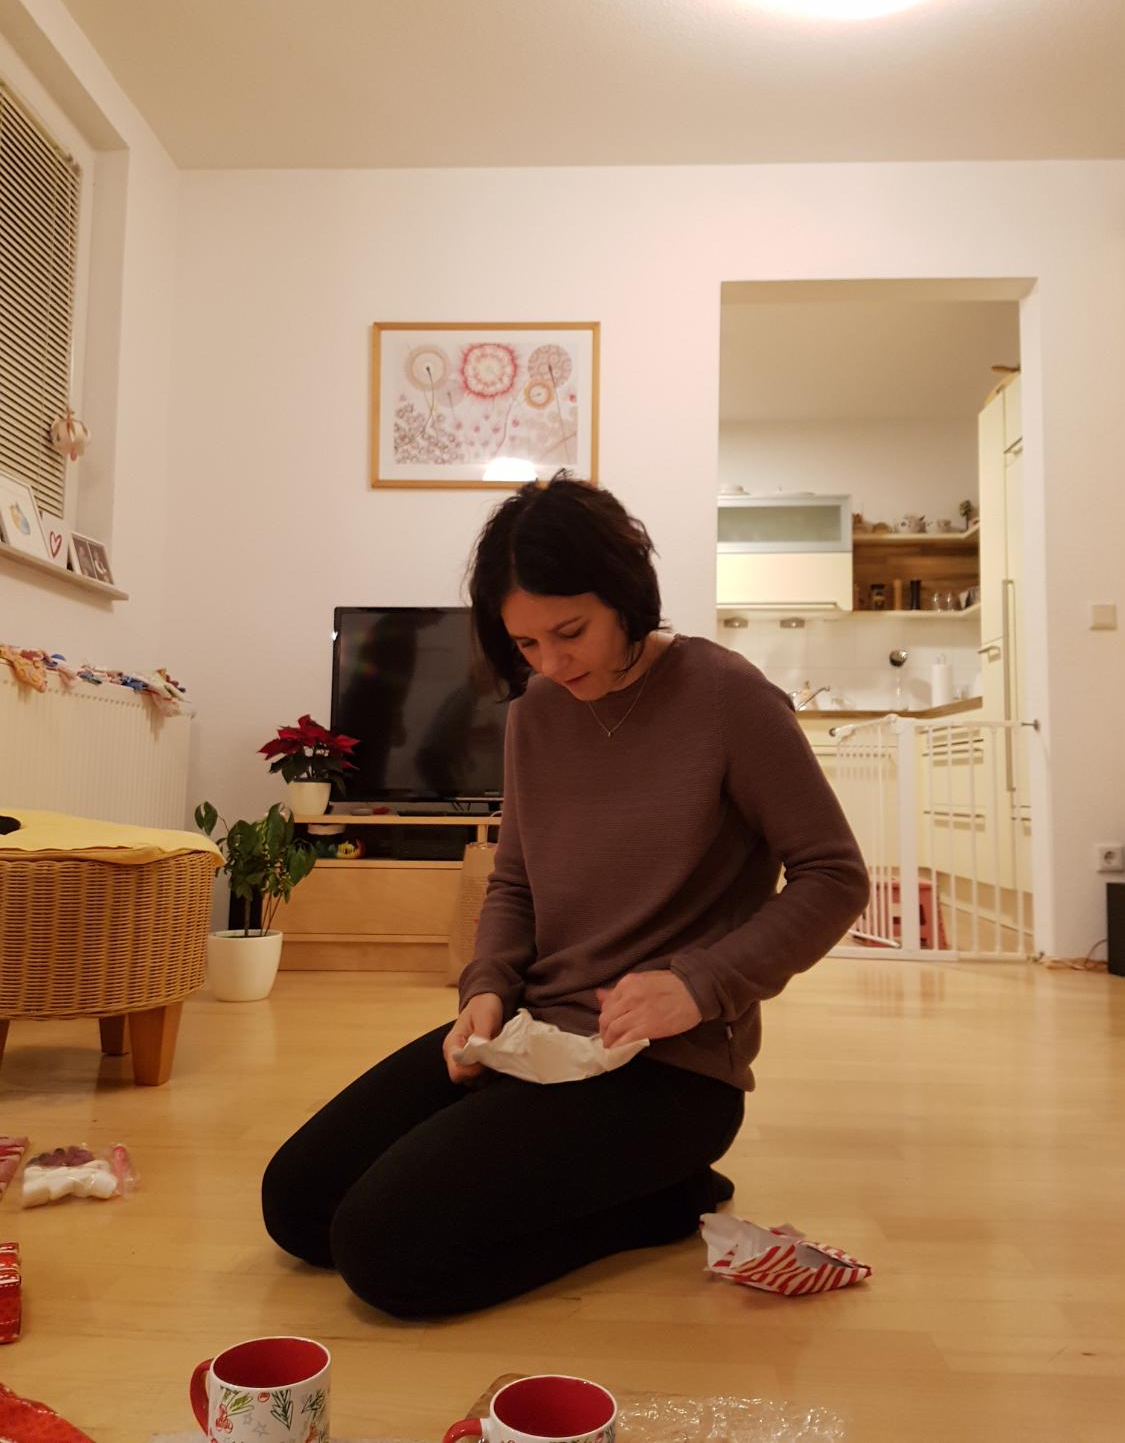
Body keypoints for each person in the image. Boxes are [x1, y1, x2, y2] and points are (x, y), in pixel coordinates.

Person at [262, 472, 869, 1318]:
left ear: (625, 594)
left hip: (669, 1071)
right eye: (525, 643)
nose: (550, 663)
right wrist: (484, 990)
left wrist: (699, 984)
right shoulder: (535, 715)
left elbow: (833, 875)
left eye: (570, 632)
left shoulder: (727, 697)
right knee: (297, 1207)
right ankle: (601, 1178)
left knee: (385, 1256)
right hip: (531, 1034)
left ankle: (660, 1201)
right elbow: (515, 879)